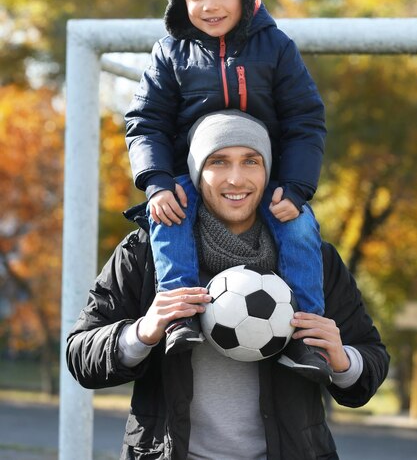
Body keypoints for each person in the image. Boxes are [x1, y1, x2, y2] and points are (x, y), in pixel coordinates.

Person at [67, 111, 390, 460]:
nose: (236, 179)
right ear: (195, 172)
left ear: (267, 172)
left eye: (250, 161)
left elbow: (368, 367)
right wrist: (142, 332)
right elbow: (81, 355)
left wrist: (343, 361)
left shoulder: (314, 258)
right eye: (218, 161)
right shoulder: (146, 254)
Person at [125, 0, 327, 360]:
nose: (209, 5)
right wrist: (157, 181)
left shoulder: (276, 47)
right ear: (180, 0)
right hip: (193, 177)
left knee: (301, 227)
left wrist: (295, 188)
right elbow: (146, 121)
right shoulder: (170, 52)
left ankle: (306, 336)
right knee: (168, 217)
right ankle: (180, 317)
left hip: (262, 178)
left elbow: (305, 121)